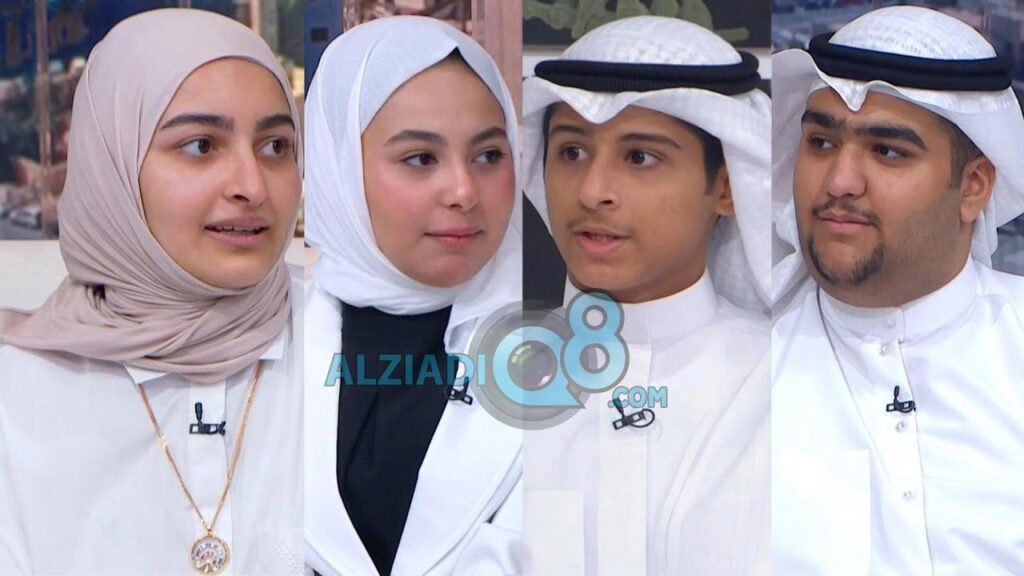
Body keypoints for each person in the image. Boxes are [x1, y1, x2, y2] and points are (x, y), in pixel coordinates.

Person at [0, 9, 304, 575]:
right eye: (200, 146)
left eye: (275, 147)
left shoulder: (352, 348)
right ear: (111, 164)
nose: (251, 185)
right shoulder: (16, 397)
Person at [771, 6, 1024, 574]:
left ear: (974, 186)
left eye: (888, 151)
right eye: (821, 143)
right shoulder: (737, 379)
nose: (839, 182)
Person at [520, 16, 771, 575]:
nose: (592, 192)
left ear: (726, 187)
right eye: (571, 153)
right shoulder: (491, 385)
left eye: (639, 157)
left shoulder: (788, 384)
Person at [302, 16, 522, 576]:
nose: (463, 191)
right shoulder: (258, 348)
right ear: (338, 168)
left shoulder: (573, 361)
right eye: (421, 158)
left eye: (488, 155)